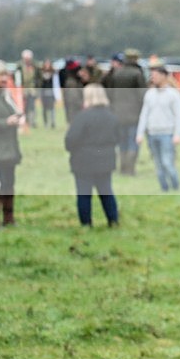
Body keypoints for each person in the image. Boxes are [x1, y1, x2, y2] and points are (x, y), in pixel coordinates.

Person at [64, 84, 119, 227]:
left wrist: (72, 149)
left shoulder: (82, 117)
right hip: (106, 159)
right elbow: (118, 137)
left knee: (84, 193)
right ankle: (113, 220)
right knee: (106, 191)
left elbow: (71, 139)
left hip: (83, 160)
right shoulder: (111, 116)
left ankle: (86, 223)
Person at [136, 64, 180, 191]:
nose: (153, 78)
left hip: (167, 134)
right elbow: (144, 115)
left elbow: (179, 116)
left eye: (155, 75)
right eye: (152, 75)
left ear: (164, 76)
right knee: (158, 164)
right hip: (152, 134)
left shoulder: (173, 94)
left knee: (167, 163)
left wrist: (177, 134)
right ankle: (164, 189)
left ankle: (176, 187)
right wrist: (140, 133)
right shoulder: (149, 94)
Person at [0, 61, 23, 227]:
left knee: (9, 184)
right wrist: (5, 122)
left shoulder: (6, 95)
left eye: (6, 75)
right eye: (1, 75)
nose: (4, 79)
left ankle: (9, 218)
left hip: (10, 149)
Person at [110, 48, 147, 175]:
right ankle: (130, 169)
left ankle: (122, 167)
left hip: (118, 114)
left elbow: (111, 94)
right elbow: (142, 95)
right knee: (133, 142)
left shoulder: (117, 73)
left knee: (122, 143)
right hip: (134, 114)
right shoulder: (137, 73)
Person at [16, 49, 38, 127]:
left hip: (32, 90)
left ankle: (32, 122)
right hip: (22, 90)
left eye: (28, 58)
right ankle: (24, 121)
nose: (27, 60)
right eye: (26, 58)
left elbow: (38, 77)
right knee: (23, 107)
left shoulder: (35, 66)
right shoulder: (19, 66)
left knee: (32, 107)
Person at [62, 59, 85, 125]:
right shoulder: (72, 82)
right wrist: (81, 104)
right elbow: (73, 98)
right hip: (74, 109)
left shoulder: (77, 81)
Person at [39, 59, 57, 128]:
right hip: (44, 93)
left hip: (51, 93)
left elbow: (56, 84)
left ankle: (53, 122)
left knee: (52, 109)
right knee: (44, 109)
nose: (47, 65)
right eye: (46, 64)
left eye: (48, 64)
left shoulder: (53, 73)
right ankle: (46, 123)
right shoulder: (41, 73)